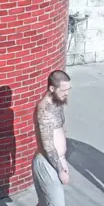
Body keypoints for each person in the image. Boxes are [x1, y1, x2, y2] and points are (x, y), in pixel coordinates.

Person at [32, 70, 71, 206]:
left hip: (56, 160)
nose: (67, 93)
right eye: (63, 90)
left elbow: (60, 130)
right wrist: (60, 170)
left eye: (68, 89)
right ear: (52, 88)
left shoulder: (58, 101)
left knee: (45, 203)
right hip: (46, 163)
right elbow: (48, 145)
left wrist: (63, 159)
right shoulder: (44, 110)